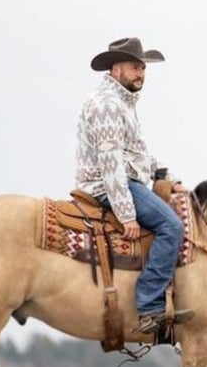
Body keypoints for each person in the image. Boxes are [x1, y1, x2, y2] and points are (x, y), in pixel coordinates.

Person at [75, 37, 194, 334]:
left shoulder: (122, 102)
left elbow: (136, 154)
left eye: (142, 68)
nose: (141, 74)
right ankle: (150, 306)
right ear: (116, 69)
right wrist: (125, 212)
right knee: (172, 227)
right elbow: (111, 162)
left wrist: (167, 176)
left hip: (124, 180)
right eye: (134, 67)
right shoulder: (108, 106)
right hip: (107, 186)